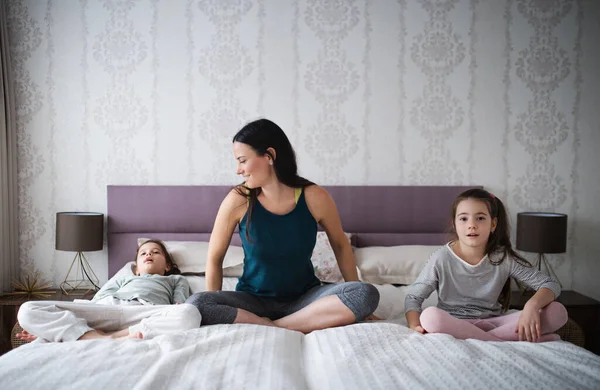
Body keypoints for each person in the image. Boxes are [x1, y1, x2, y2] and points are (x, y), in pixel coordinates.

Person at [186, 118, 380, 333]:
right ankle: (279, 324)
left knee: (365, 293)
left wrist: (351, 290)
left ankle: (273, 327)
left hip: (305, 300)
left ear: (269, 156)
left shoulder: (314, 196)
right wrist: (216, 305)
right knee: (197, 304)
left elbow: (341, 246)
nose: (238, 170)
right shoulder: (238, 199)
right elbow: (214, 258)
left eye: (242, 160)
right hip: (252, 302)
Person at [405, 188, 568, 342]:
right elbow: (413, 296)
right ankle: (500, 340)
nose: (472, 225)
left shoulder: (503, 258)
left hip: (494, 322)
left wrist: (531, 306)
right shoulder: (441, 258)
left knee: (557, 311)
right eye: (463, 218)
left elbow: (550, 284)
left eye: (480, 218)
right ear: (454, 224)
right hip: (452, 323)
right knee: (430, 317)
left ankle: (487, 337)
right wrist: (414, 325)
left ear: (493, 224)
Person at [17, 239, 201, 342]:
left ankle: (108, 337)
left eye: (155, 252)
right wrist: (55, 327)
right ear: (136, 267)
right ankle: (88, 334)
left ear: (168, 266)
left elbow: (180, 305)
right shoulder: (124, 278)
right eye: (143, 253)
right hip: (108, 307)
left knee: (190, 313)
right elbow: (98, 299)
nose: (149, 254)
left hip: (145, 312)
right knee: (28, 309)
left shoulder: (176, 279)